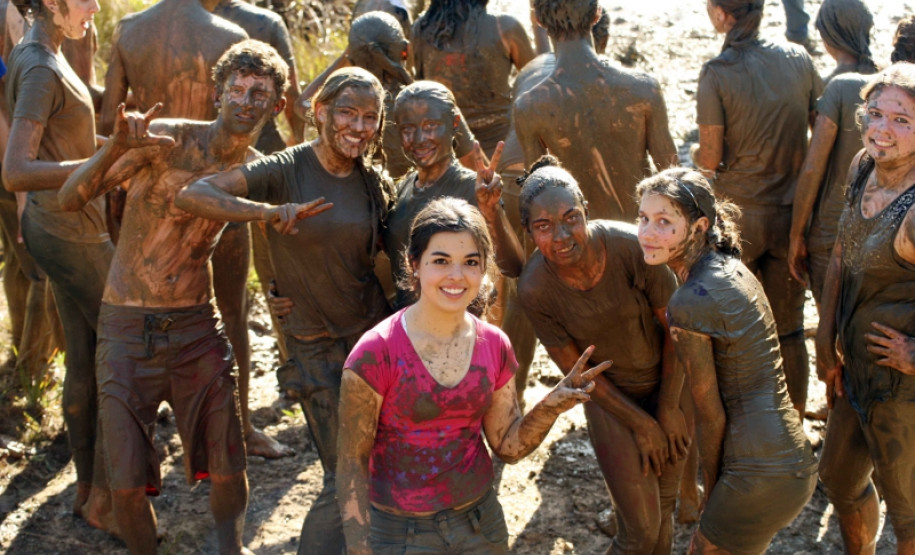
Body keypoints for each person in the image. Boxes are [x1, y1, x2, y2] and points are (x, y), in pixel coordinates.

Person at [58, 39, 318, 554]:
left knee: (228, 465)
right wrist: (114, 145)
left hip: (197, 327)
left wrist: (287, 296)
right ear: (217, 94)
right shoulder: (169, 140)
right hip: (127, 326)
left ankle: (231, 549)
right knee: (127, 483)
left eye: (259, 93)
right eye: (237, 90)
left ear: (274, 104)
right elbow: (71, 198)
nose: (246, 102)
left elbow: (297, 236)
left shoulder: (262, 169)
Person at [176, 66, 392, 555]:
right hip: (313, 347)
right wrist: (266, 214)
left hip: (371, 344)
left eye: (370, 118)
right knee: (343, 477)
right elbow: (196, 193)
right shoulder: (285, 168)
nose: (358, 128)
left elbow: (380, 261)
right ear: (319, 112)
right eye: (347, 114)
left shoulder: (373, 182)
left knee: (372, 471)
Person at [336, 196, 610, 554]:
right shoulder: (376, 353)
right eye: (441, 261)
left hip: (480, 524)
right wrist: (360, 548)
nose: (456, 275)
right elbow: (350, 463)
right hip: (400, 533)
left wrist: (549, 408)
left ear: (484, 270)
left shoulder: (493, 345)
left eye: (470, 262)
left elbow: (507, 446)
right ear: (413, 264)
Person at [102, 0, 287, 458]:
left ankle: (142, 435)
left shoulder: (129, 30)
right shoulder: (228, 36)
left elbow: (112, 125)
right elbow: (249, 128)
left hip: (148, 192)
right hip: (219, 188)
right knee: (230, 313)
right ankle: (239, 427)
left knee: (150, 312)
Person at [636, 167, 817, 554]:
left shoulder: (689, 301)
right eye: (644, 218)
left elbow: (710, 414)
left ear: (700, 226)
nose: (648, 232)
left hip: (756, 472)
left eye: (664, 222)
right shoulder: (731, 267)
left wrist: (712, 490)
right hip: (789, 463)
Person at [518, 157, 690, 553]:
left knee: (663, 509)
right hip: (608, 401)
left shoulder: (631, 247)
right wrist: (643, 425)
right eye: (544, 226)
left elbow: (678, 331)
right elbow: (580, 374)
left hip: (671, 383)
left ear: (586, 212)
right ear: (528, 232)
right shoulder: (535, 289)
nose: (561, 235)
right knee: (639, 534)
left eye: (570, 218)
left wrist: (667, 409)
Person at [2, 0, 113, 528]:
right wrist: (103, 163)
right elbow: (17, 170)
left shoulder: (41, 50)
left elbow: (67, 141)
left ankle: (88, 488)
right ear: (50, 2)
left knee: (87, 356)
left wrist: (124, 149)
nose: (95, 6)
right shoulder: (42, 68)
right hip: (69, 233)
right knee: (125, 349)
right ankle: (114, 496)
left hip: (64, 225)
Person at [693, 0, 822, 418]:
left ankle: (742, 427)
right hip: (791, 218)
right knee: (789, 330)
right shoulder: (798, 59)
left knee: (733, 330)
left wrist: (696, 155)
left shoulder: (717, 73)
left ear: (719, 13)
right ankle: (795, 423)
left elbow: (710, 159)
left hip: (738, 220)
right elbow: (820, 134)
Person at [816, 63, 915, 555]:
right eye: (876, 113)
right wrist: (824, 337)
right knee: (838, 479)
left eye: (901, 120)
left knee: (909, 513)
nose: (882, 129)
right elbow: (841, 250)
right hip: (856, 368)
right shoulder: (863, 165)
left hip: (903, 388)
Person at [515, 0, 678, 222]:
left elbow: (536, 196)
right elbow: (673, 180)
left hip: (585, 241)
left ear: (538, 20)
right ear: (597, 14)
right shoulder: (644, 89)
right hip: (645, 235)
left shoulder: (530, 107)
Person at [384, 80, 523, 310]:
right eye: (408, 129)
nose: (419, 139)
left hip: (459, 332)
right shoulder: (403, 189)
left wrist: (492, 212)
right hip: (409, 333)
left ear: (454, 124)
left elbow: (512, 268)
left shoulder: (473, 189)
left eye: (430, 126)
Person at [788, 0, 876, 310]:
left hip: (832, 230)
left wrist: (796, 235)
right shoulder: (894, 86)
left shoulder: (834, 88)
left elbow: (812, 169)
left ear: (826, 37)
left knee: (831, 336)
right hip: (884, 230)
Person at [411, 0, 535, 157]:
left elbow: (418, 91)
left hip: (449, 154)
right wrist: (538, 26)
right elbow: (537, 78)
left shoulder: (421, 29)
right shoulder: (504, 27)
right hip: (504, 150)